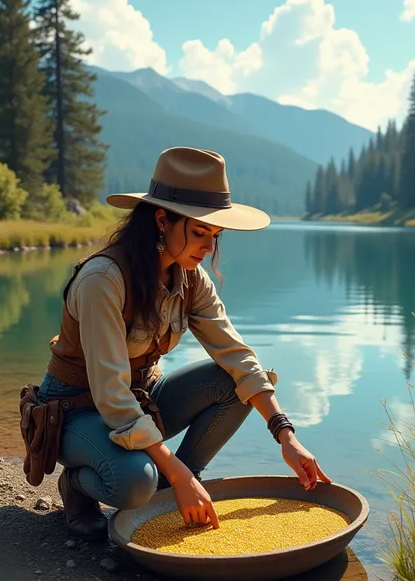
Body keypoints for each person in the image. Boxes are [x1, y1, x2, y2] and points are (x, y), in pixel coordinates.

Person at [38, 147, 332, 542]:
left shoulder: (191, 278)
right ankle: (78, 487)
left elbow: (237, 356)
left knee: (231, 383)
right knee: (134, 483)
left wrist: (286, 435)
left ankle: (175, 484)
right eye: (199, 232)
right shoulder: (102, 280)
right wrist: (176, 472)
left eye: (215, 235)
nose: (208, 248)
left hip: (139, 397)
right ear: (162, 220)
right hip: (75, 408)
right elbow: (111, 395)